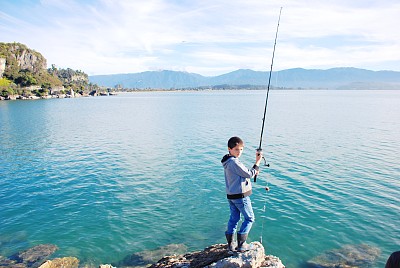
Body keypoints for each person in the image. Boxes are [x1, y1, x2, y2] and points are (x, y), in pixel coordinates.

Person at [221, 136, 262, 252]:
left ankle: (230, 244)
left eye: (241, 149)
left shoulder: (228, 161)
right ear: (229, 149)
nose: (239, 152)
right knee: (250, 218)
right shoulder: (234, 162)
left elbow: (245, 173)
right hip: (240, 196)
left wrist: (254, 169)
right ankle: (241, 245)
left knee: (234, 218)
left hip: (231, 195)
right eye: (236, 150)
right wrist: (257, 162)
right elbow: (249, 174)